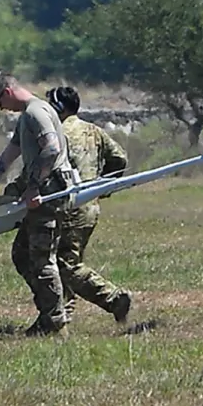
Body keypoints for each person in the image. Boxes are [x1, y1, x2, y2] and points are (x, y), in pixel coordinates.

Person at [0, 71, 76, 337]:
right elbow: (5, 159)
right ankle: (50, 313)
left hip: (47, 194)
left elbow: (52, 149)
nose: (1, 109)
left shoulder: (36, 113)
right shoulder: (26, 118)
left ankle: (55, 323)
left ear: (8, 92)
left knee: (42, 259)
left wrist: (34, 187)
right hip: (40, 193)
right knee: (22, 255)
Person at [45, 85, 133, 325]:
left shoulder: (56, 133)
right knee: (69, 260)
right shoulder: (94, 130)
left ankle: (114, 299)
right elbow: (120, 158)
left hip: (69, 206)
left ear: (57, 107)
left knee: (64, 264)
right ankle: (63, 313)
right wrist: (103, 185)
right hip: (90, 206)